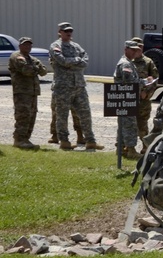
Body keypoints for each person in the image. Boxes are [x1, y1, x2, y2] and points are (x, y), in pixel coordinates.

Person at [49, 22, 103, 151]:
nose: (69, 33)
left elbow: (85, 61)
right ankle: (64, 141)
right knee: (62, 115)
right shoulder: (55, 46)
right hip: (63, 87)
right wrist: (77, 61)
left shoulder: (76, 46)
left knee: (85, 114)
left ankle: (90, 141)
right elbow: (62, 61)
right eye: (66, 31)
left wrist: (72, 62)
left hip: (79, 86)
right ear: (60, 32)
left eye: (70, 31)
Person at [8, 37, 47, 150]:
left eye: (29, 45)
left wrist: (34, 67)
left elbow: (44, 71)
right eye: (25, 45)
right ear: (20, 46)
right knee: (23, 115)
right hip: (22, 92)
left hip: (33, 92)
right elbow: (26, 71)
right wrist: (36, 68)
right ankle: (19, 140)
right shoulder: (16, 56)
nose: (27, 47)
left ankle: (26, 139)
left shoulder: (31, 58)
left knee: (31, 116)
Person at [113, 39, 143, 160]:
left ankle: (120, 149)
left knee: (122, 124)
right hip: (126, 97)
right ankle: (131, 150)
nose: (135, 52)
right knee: (129, 125)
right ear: (126, 50)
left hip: (125, 97)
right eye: (133, 50)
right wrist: (144, 82)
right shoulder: (125, 63)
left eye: (136, 50)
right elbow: (129, 81)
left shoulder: (129, 62)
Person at [130, 37, 159, 141]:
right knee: (128, 124)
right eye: (136, 46)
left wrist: (147, 92)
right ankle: (127, 148)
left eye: (140, 46)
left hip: (143, 100)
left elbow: (155, 79)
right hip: (128, 98)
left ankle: (144, 147)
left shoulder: (148, 62)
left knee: (142, 124)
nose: (138, 49)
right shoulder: (126, 61)